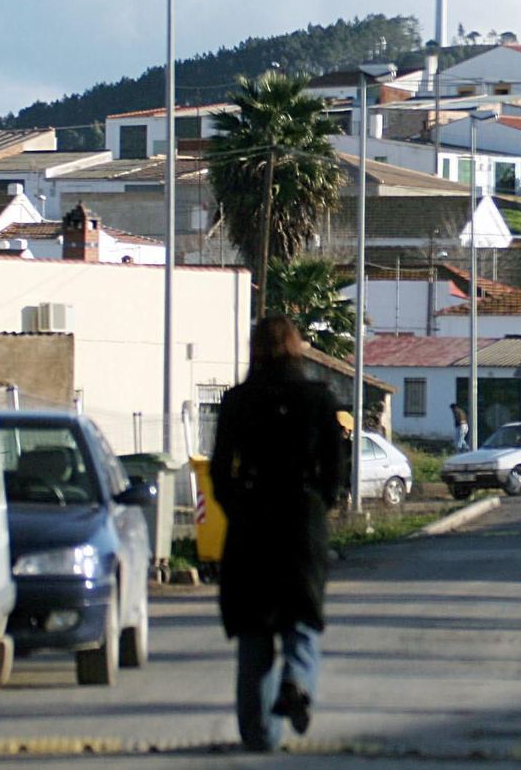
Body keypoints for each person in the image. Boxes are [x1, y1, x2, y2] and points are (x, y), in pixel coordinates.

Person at [210, 316, 343, 752]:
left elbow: (218, 470)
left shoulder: (237, 401)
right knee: (301, 617)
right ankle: (298, 683)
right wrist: (319, 504)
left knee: (255, 628)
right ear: (296, 347)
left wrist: (238, 507)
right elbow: (336, 468)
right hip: (302, 519)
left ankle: (260, 734)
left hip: (252, 519)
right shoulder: (319, 400)